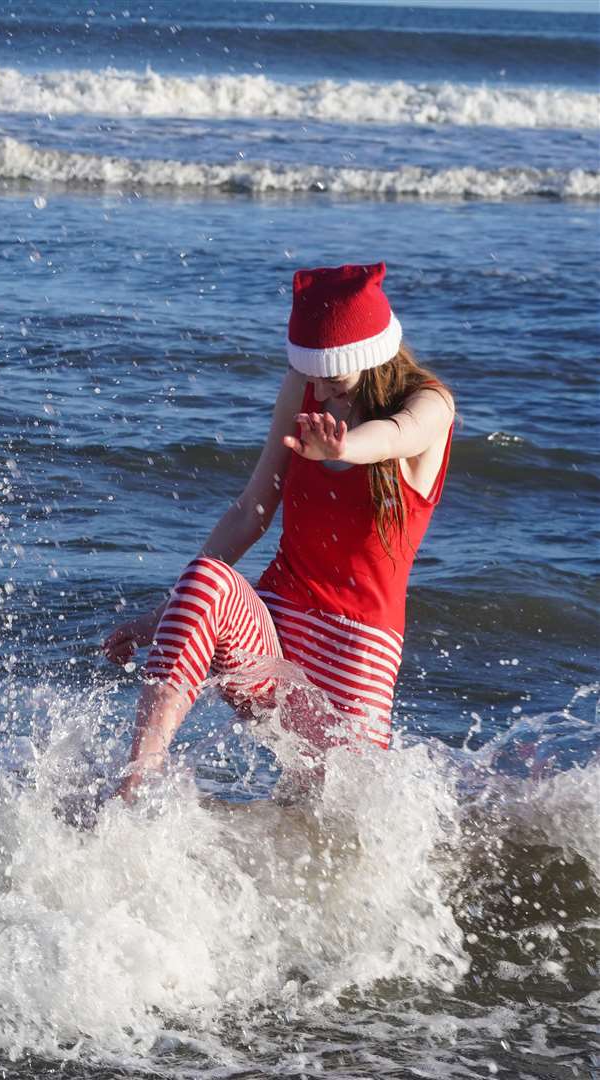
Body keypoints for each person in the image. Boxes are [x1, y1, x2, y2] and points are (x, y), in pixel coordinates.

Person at [104, 263, 455, 800]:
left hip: (354, 663)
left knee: (323, 816)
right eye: (306, 373)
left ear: (366, 357)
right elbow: (251, 510)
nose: (314, 387)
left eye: (328, 375)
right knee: (207, 578)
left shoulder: (429, 405)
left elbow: (396, 436)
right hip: (276, 633)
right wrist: (166, 615)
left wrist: (345, 449)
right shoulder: (306, 386)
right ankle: (136, 783)